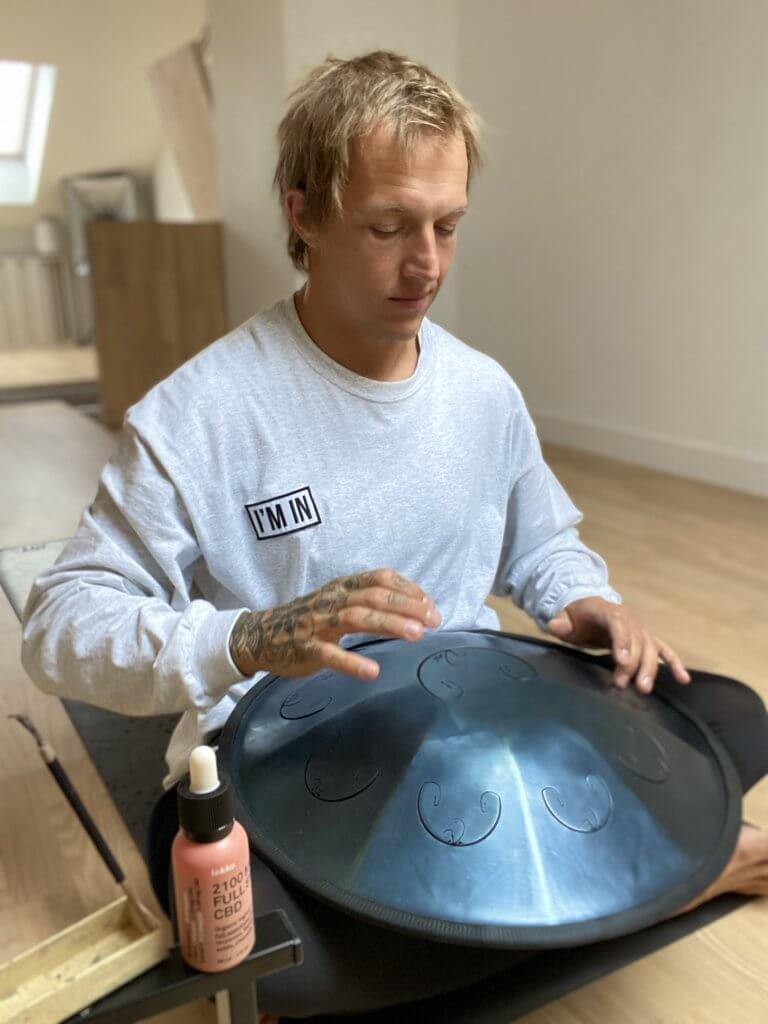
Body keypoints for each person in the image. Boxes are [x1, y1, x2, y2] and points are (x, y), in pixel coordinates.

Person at [21, 50, 768, 1020]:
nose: (428, 264)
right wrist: (249, 638)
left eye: (447, 225)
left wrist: (584, 599)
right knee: (271, 958)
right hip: (282, 749)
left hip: (478, 723)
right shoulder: (199, 413)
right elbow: (59, 626)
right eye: (387, 227)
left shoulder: (483, 391)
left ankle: (571, 904)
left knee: (733, 719)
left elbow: (542, 541)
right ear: (303, 213)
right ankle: (668, 882)